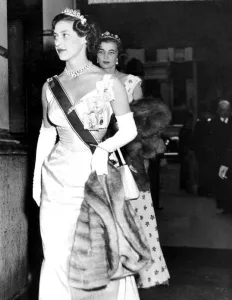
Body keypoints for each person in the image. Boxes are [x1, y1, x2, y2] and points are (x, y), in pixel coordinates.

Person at [33, 10, 142, 299]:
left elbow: (129, 130)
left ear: (84, 38)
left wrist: (104, 148)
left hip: (94, 177)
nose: (58, 41)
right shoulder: (50, 86)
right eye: (55, 36)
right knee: (55, 255)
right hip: (55, 180)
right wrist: (35, 182)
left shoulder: (109, 83)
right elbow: (46, 134)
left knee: (97, 257)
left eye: (65, 35)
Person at [97, 31, 170, 289]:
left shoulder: (131, 82)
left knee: (136, 215)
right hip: (94, 156)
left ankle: (142, 273)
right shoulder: (87, 80)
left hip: (126, 156)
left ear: (119, 57)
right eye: (101, 52)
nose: (106, 57)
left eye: (111, 52)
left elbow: (142, 125)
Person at [209, 99, 232, 212]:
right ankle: (222, 204)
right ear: (218, 111)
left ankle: (228, 204)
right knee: (220, 181)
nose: (225, 113)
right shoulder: (214, 123)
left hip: (229, 156)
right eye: (223, 110)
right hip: (218, 157)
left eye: (227, 110)